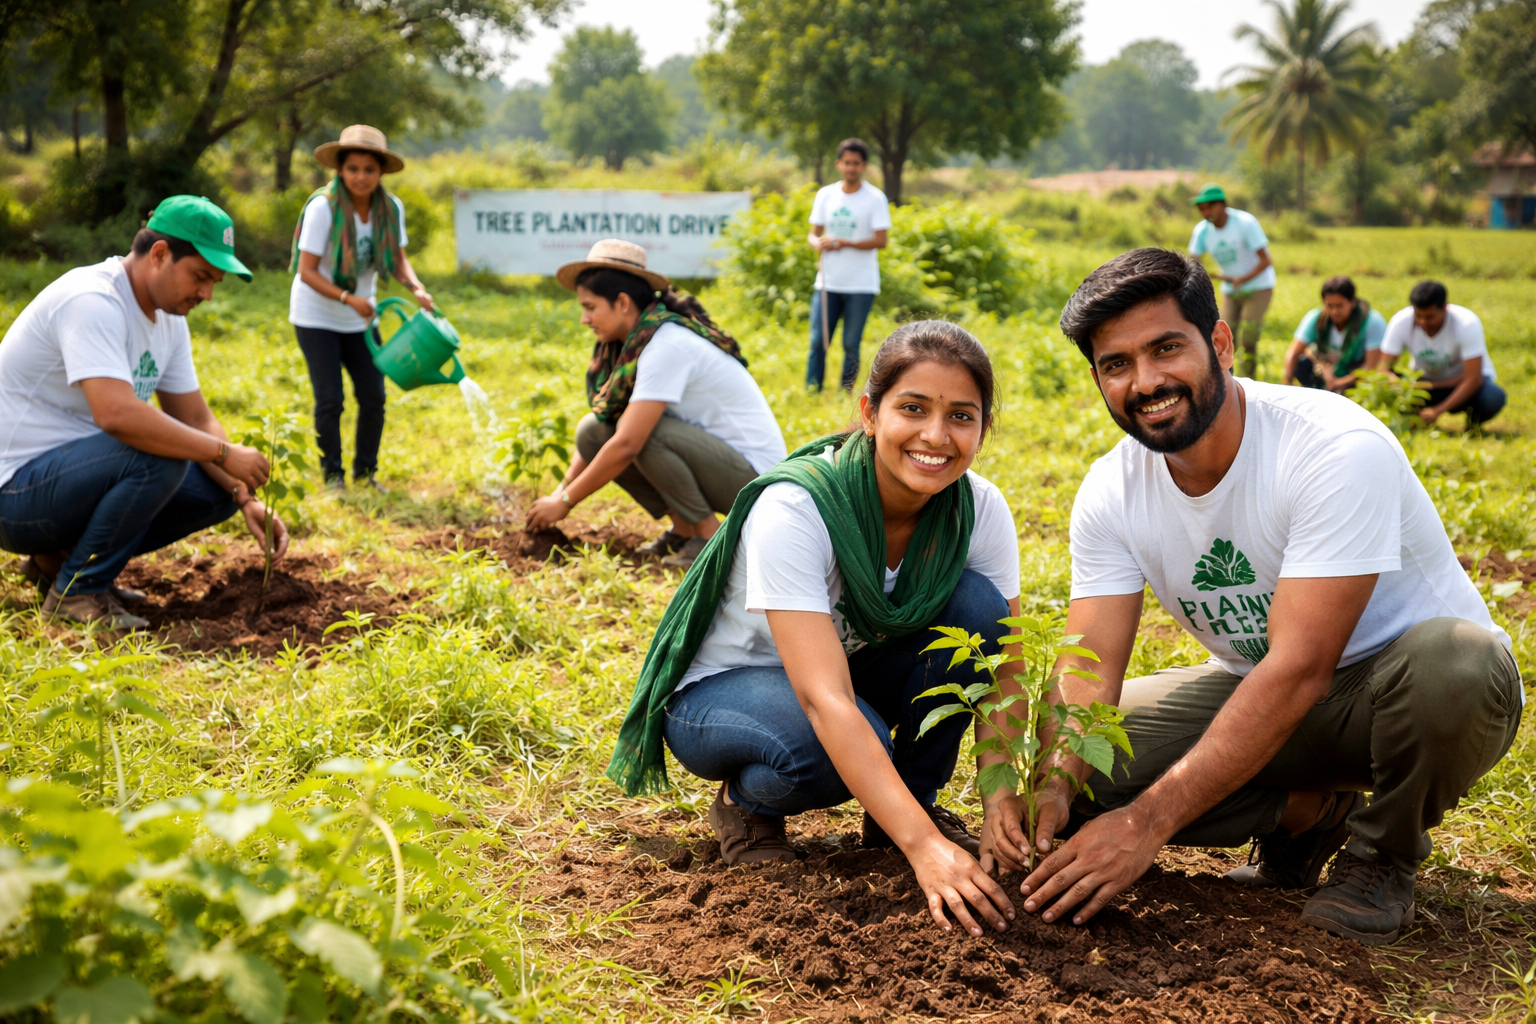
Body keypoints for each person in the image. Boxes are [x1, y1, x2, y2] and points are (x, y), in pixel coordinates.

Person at [986, 248, 1520, 948]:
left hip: (1398, 698)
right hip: (1262, 695)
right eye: (1117, 364)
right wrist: (1055, 784)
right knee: (1091, 766)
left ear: (1221, 343)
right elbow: (1088, 666)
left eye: (1166, 349)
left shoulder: (1331, 446)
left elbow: (1302, 666)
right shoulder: (1111, 489)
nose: (1146, 382)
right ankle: (1308, 816)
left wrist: (1146, 824)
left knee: (1461, 662)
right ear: (1097, 379)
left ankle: (1382, 857)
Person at [606, 322, 1025, 940]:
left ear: (982, 430)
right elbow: (825, 702)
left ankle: (906, 809)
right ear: (870, 414)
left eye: (961, 416)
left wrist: (1000, 801)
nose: (936, 436)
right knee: (832, 746)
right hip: (724, 691)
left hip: (845, 670)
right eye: (913, 408)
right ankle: (747, 806)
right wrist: (926, 850)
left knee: (979, 610)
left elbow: (1004, 669)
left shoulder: (977, 508)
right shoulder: (798, 508)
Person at [0, 196, 289, 629]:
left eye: (215, 282)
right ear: (159, 254)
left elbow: (195, 417)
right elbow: (117, 416)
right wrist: (224, 453)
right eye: (200, 277)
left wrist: (244, 496)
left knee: (218, 490)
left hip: (67, 482)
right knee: (162, 454)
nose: (207, 294)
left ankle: (56, 563)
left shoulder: (169, 319)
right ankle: (77, 592)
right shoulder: (93, 300)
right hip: (13, 496)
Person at [526, 240, 787, 569]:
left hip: (756, 484)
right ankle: (683, 528)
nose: (584, 318)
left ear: (622, 303)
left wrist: (565, 502)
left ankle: (709, 537)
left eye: (590, 307)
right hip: (721, 464)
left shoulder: (666, 346)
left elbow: (628, 442)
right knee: (593, 432)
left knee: (642, 434)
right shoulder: (636, 344)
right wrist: (559, 492)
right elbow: (605, 434)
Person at [289, 124, 435, 491]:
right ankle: (333, 477)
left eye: (370, 169)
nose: (361, 177)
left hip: (361, 319)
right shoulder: (323, 208)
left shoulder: (390, 208)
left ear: (381, 172)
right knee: (330, 399)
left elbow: (398, 259)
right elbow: (307, 271)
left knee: (374, 396)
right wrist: (347, 298)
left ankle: (366, 474)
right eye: (353, 168)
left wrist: (415, 286)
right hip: (317, 316)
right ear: (340, 169)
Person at [806, 138, 891, 393]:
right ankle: (813, 390)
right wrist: (818, 244)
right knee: (818, 340)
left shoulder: (875, 198)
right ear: (838, 164)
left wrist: (846, 243)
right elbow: (813, 234)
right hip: (828, 281)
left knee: (851, 343)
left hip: (861, 283)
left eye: (856, 163)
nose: (851, 168)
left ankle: (846, 392)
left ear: (863, 165)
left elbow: (881, 240)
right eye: (847, 162)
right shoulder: (826, 195)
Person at [1370, 280, 1507, 428]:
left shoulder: (1466, 323)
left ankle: (1473, 425)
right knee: (1382, 384)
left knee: (1492, 397)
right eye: (1418, 315)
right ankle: (1414, 419)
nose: (1423, 322)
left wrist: (1437, 411)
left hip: (1461, 384)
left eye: (1429, 317)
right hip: (1422, 384)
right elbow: (1383, 368)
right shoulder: (1401, 321)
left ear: (1445, 307)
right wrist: (1398, 385)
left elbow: (1473, 379)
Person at [1187, 183, 1275, 379]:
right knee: (1222, 338)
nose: (1206, 212)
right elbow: (1193, 262)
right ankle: (1227, 382)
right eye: (1202, 208)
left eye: (1210, 206)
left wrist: (1242, 279)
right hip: (1231, 290)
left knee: (1247, 339)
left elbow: (1265, 260)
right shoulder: (1202, 231)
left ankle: (1249, 381)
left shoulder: (1244, 223)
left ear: (1223, 204)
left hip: (1259, 286)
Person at [1283, 275, 1386, 392]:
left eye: (1339, 306)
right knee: (1302, 364)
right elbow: (1294, 352)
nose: (1334, 311)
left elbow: (1371, 367)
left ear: (1353, 302)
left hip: (1356, 377)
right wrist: (1287, 385)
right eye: (1329, 306)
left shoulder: (1372, 322)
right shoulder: (1317, 319)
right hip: (1326, 373)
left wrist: (1338, 383)